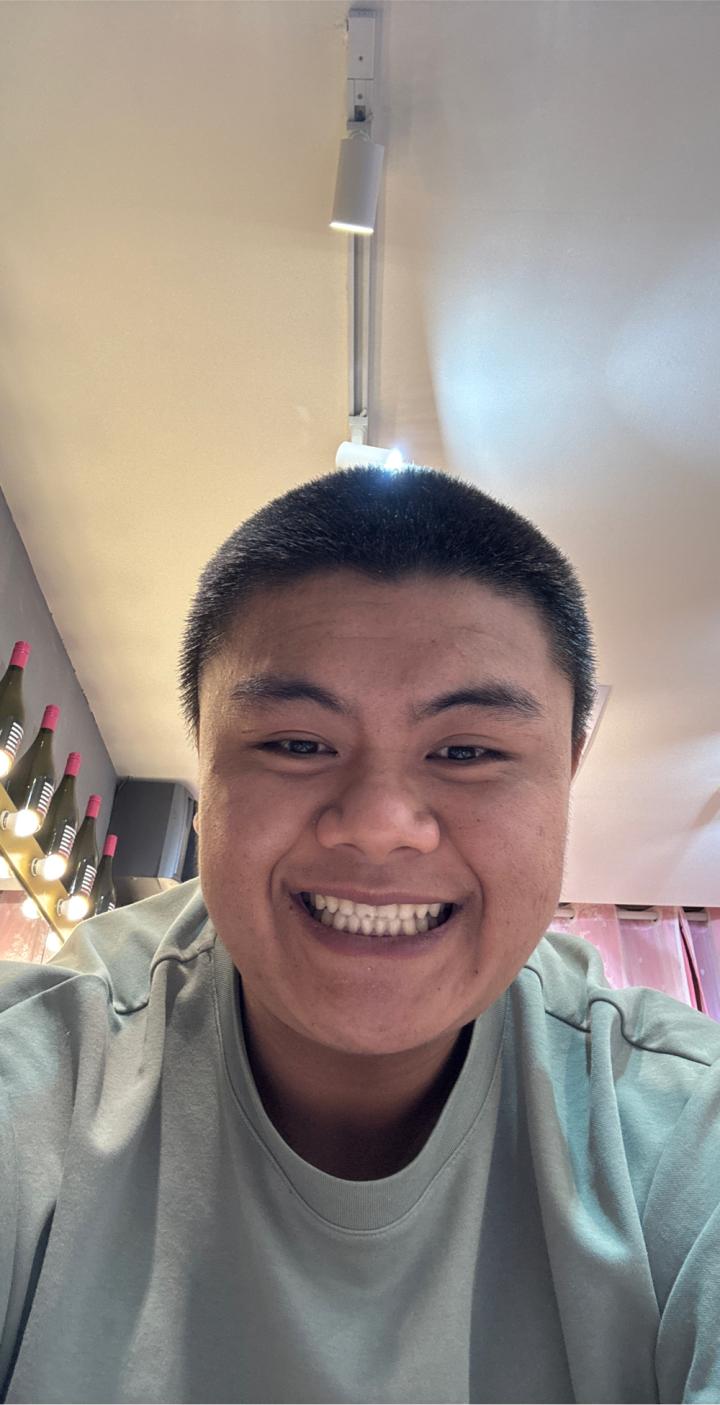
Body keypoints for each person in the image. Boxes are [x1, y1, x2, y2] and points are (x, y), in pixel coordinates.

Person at [0, 464, 718, 1405]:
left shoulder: (680, 1138)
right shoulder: (43, 1080)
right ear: (205, 764)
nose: (380, 824)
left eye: (467, 751)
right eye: (297, 743)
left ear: (565, 772)